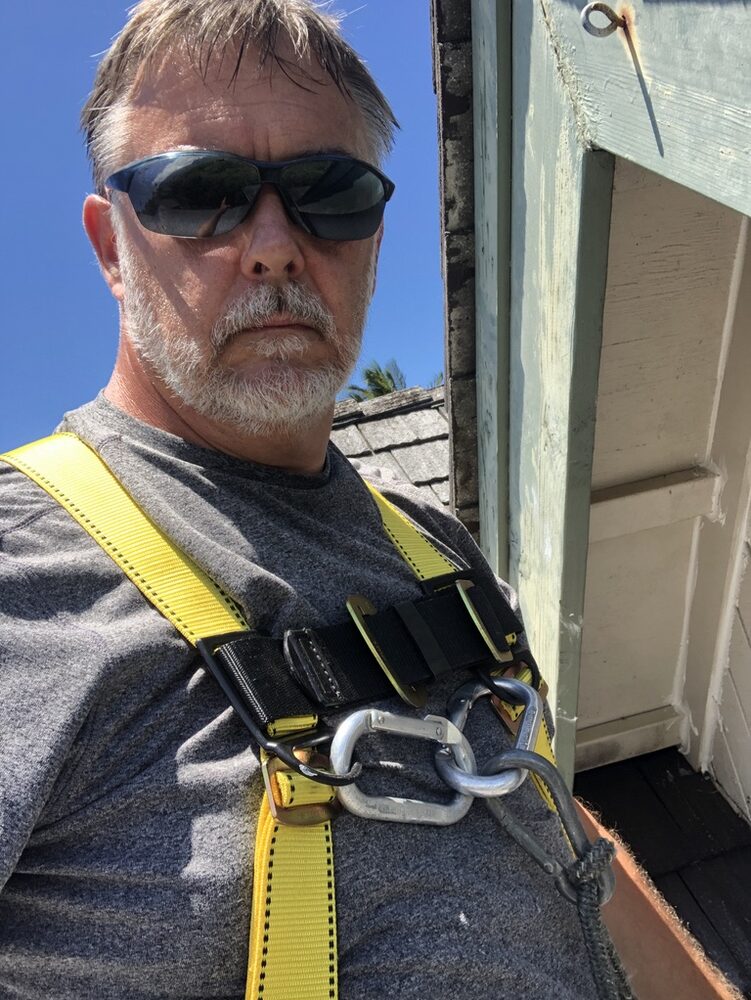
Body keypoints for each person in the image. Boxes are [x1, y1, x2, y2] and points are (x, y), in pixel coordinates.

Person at [0, 3, 739, 1000]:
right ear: (110, 244)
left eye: (328, 193)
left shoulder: (431, 542)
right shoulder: (24, 567)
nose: (271, 246)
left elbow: (549, 814)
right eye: (199, 193)